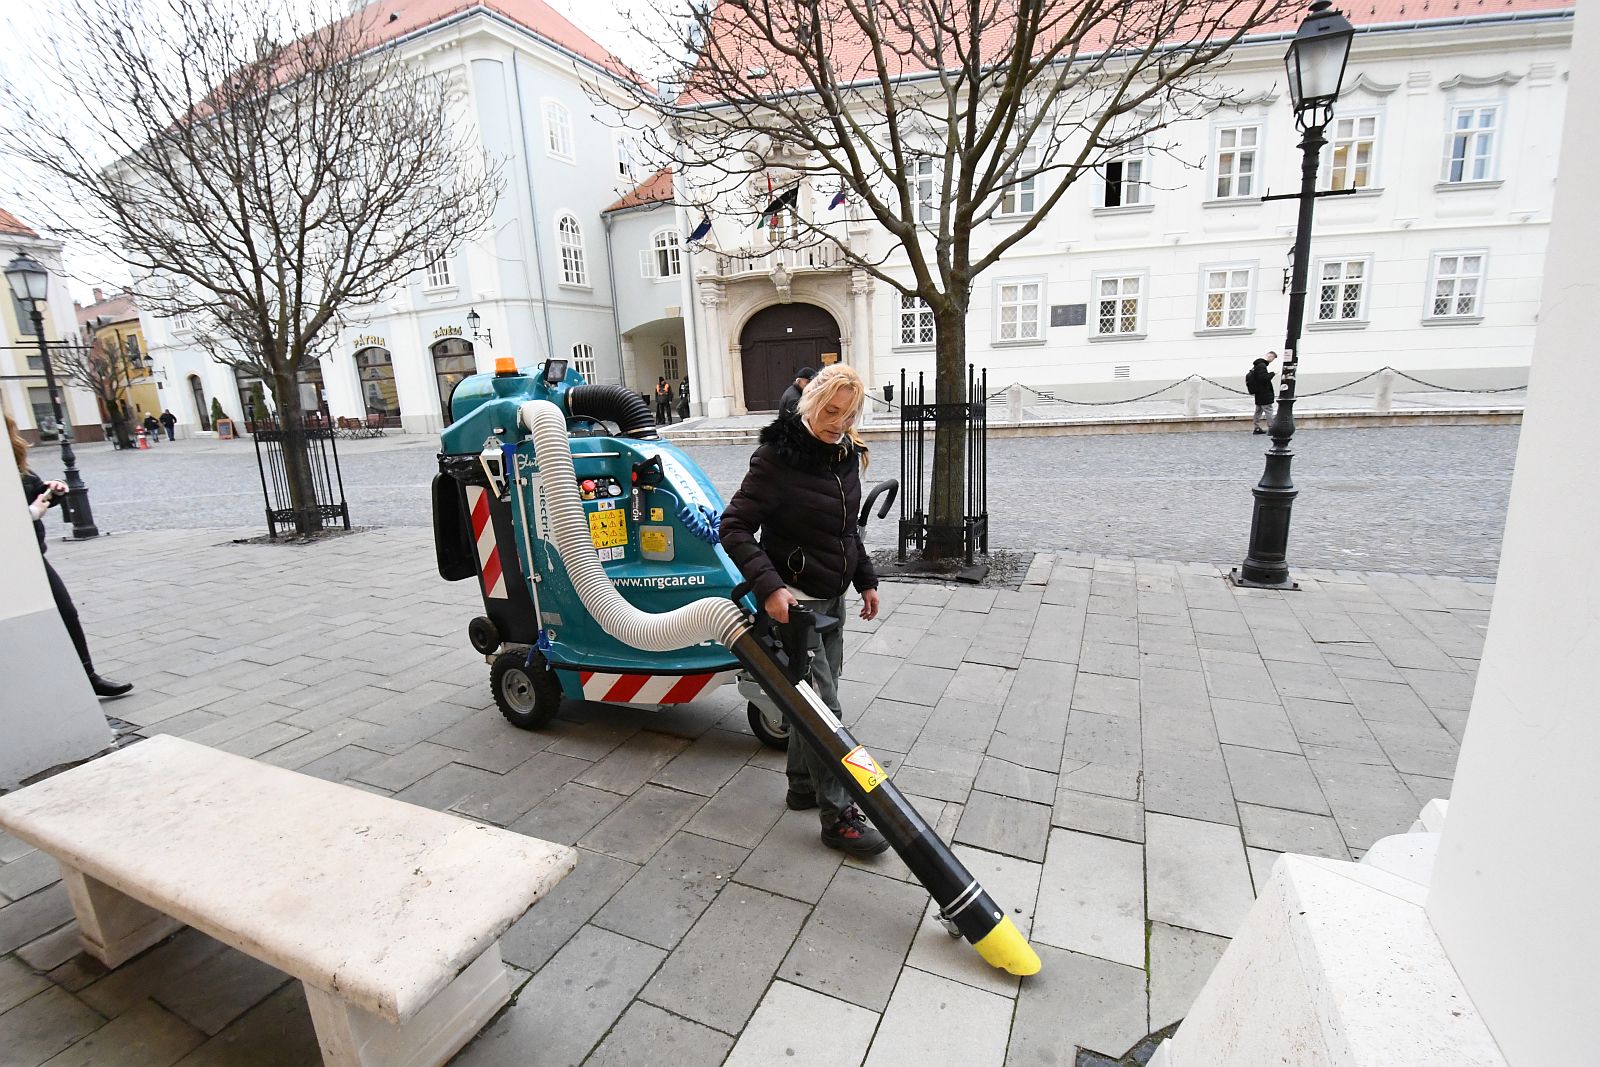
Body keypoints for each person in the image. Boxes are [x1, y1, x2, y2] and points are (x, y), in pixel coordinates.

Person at [719, 364, 887, 857]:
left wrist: (866, 579)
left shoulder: (844, 456)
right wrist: (770, 588)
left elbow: (846, 529)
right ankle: (838, 817)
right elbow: (733, 527)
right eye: (831, 410)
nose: (838, 421)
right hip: (796, 607)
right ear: (810, 401)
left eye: (848, 413)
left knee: (808, 701)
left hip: (830, 597)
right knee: (825, 713)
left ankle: (802, 785)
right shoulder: (776, 458)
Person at [8, 413, 132, 698]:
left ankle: (88, 676)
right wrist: (32, 513)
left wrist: (51, 491)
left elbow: (32, 492)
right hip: (10, 558)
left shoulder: (14, 465)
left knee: (66, 612)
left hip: (32, 555)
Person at [1246, 351, 1278, 434]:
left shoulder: (1256, 365)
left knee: (1258, 410)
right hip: (1264, 392)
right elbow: (1263, 379)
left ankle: (1256, 427)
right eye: (1273, 358)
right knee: (1268, 410)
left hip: (1259, 392)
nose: (1272, 360)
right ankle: (1272, 428)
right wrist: (1272, 373)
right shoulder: (1262, 366)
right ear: (1270, 356)